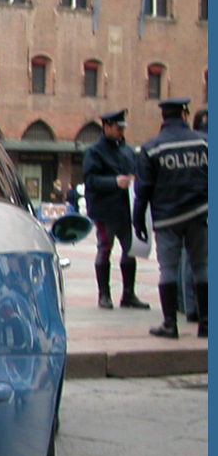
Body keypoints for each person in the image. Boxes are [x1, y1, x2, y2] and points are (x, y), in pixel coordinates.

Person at [133, 97, 208, 339]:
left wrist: (138, 220)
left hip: (167, 219)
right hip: (199, 214)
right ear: (184, 114)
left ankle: (170, 324)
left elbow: (142, 188)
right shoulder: (204, 142)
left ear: (163, 118)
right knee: (202, 268)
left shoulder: (152, 147)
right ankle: (206, 323)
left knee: (168, 269)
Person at [82, 109, 150, 310]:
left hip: (127, 209)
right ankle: (104, 295)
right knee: (105, 249)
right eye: (118, 128)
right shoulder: (94, 152)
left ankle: (128, 294)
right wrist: (114, 182)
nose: (121, 132)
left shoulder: (127, 151)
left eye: (122, 128)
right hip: (106, 210)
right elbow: (91, 180)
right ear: (107, 127)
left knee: (131, 251)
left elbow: (136, 172)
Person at [178, 107, 208, 322]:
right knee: (195, 261)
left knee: (185, 260)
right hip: (198, 208)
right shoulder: (202, 144)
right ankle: (194, 308)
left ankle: (186, 304)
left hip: (181, 208)